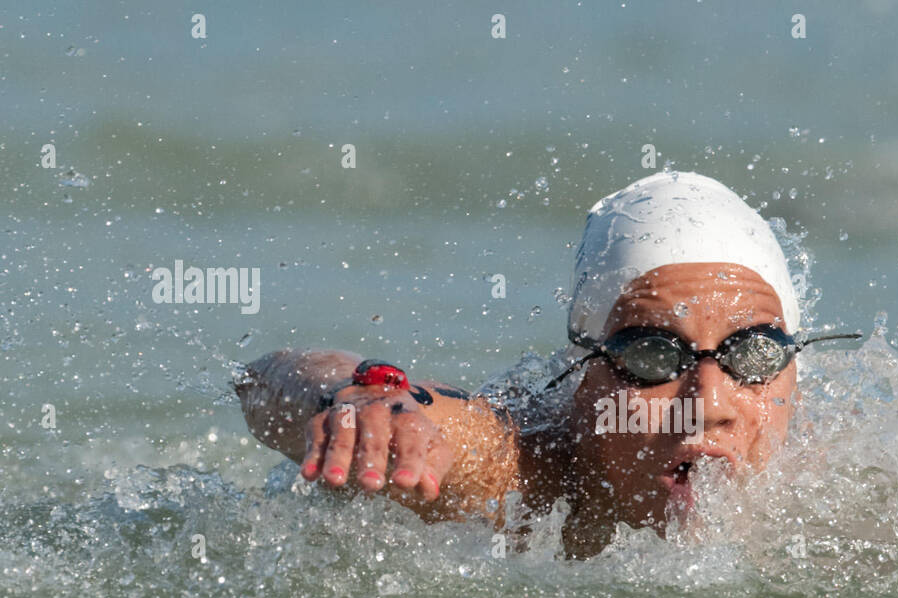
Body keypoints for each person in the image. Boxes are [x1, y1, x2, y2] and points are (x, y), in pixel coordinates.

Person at [235, 171, 858, 558]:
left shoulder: (846, 498)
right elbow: (262, 381)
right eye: (650, 355)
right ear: (584, 373)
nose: (709, 403)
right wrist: (367, 397)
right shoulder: (530, 475)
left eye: (752, 353)